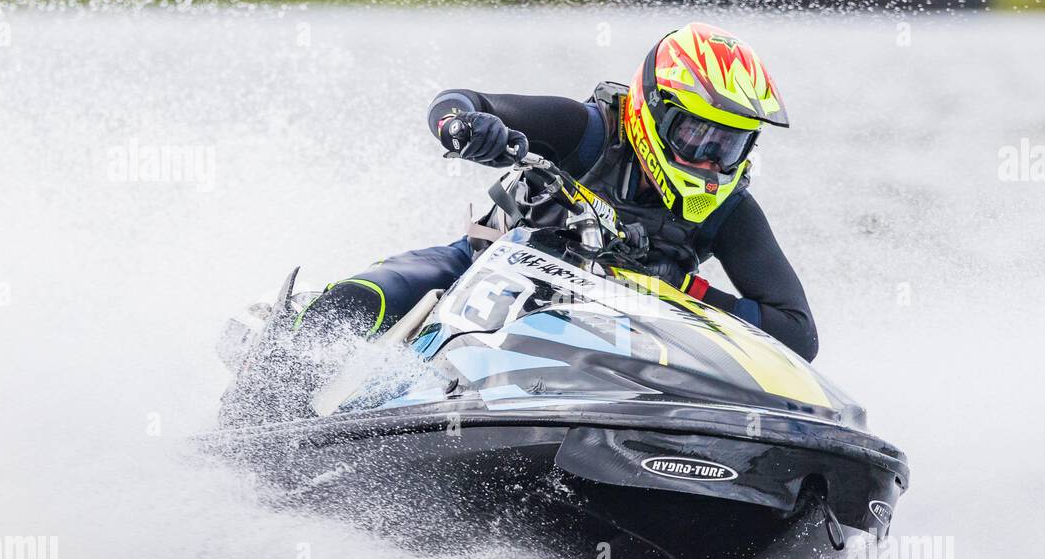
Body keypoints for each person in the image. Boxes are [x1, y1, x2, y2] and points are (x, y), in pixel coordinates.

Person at [294, 22, 818, 362]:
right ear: (653, 111)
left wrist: (683, 288)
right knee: (363, 297)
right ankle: (270, 388)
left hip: (626, 338)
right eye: (696, 134)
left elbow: (797, 334)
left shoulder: (731, 211)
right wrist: (466, 129)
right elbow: (458, 100)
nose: (709, 160)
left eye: (728, 145)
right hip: (489, 275)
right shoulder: (586, 131)